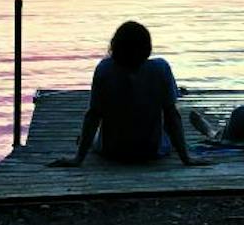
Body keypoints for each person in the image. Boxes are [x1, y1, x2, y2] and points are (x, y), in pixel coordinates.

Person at [50, 20, 210, 167]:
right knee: (167, 125)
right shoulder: (161, 68)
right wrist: (186, 158)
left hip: (113, 151)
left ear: (115, 46)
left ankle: (89, 142)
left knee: (98, 132)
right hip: (151, 151)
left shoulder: (104, 69)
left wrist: (78, 159)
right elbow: (172, 116)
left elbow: (93, 115)